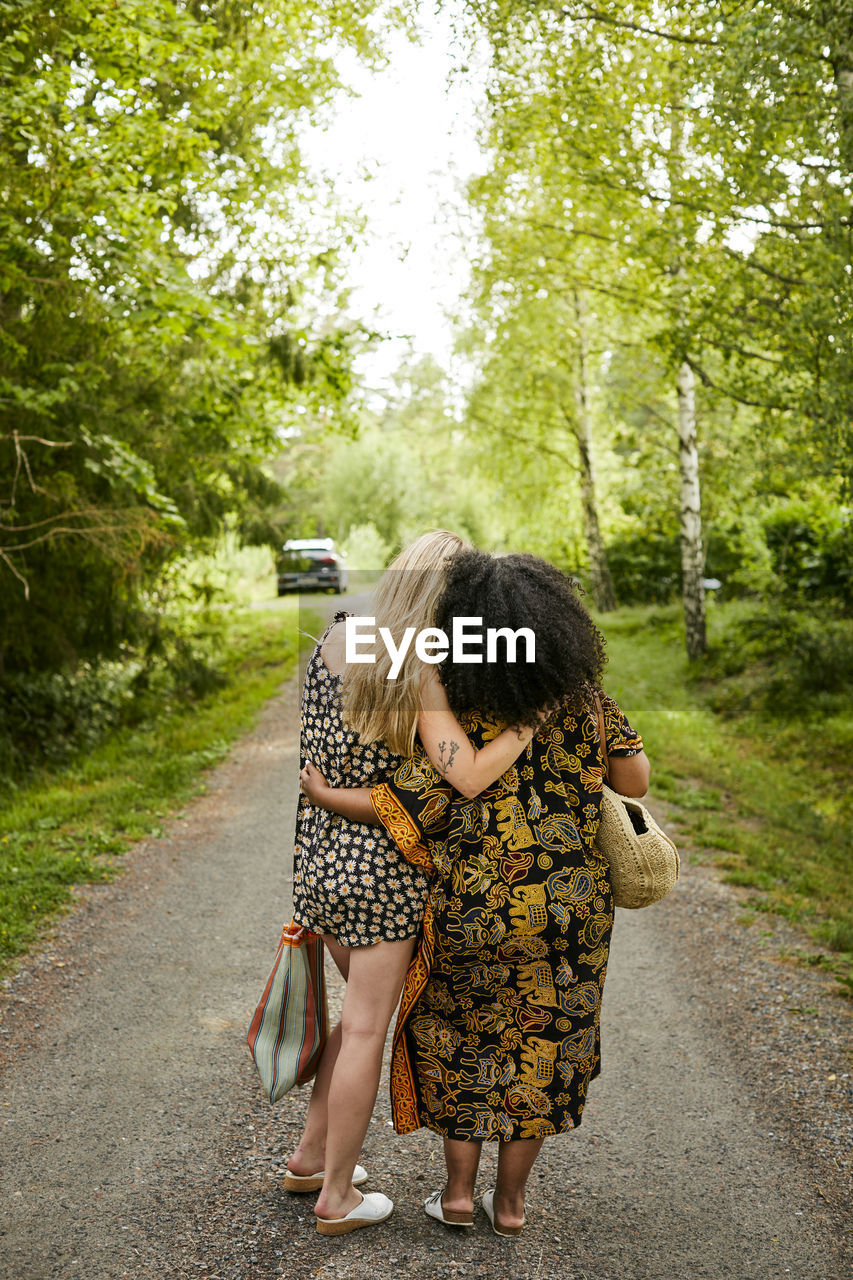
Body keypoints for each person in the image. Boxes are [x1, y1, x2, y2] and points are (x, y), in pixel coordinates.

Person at [301, 548, 650, 1236]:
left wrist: (326, 796)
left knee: (464, 1044)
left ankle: (457, 1196)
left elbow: (414, 801)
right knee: (543, 1048)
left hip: (469, 905)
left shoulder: (456, 708)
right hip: (569, 913)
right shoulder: (585, 699)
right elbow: (633, 782)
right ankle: (512, 1206)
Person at [286, 532, 549, 1236]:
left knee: (352, 1019)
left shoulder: (334, 637)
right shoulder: (419, 666)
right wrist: (523, 726)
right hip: (382, 869)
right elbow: (462, 774)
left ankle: (310, 1156)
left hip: (318, 859)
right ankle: (336, 1195)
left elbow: (319, 758)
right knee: (369, 1025)